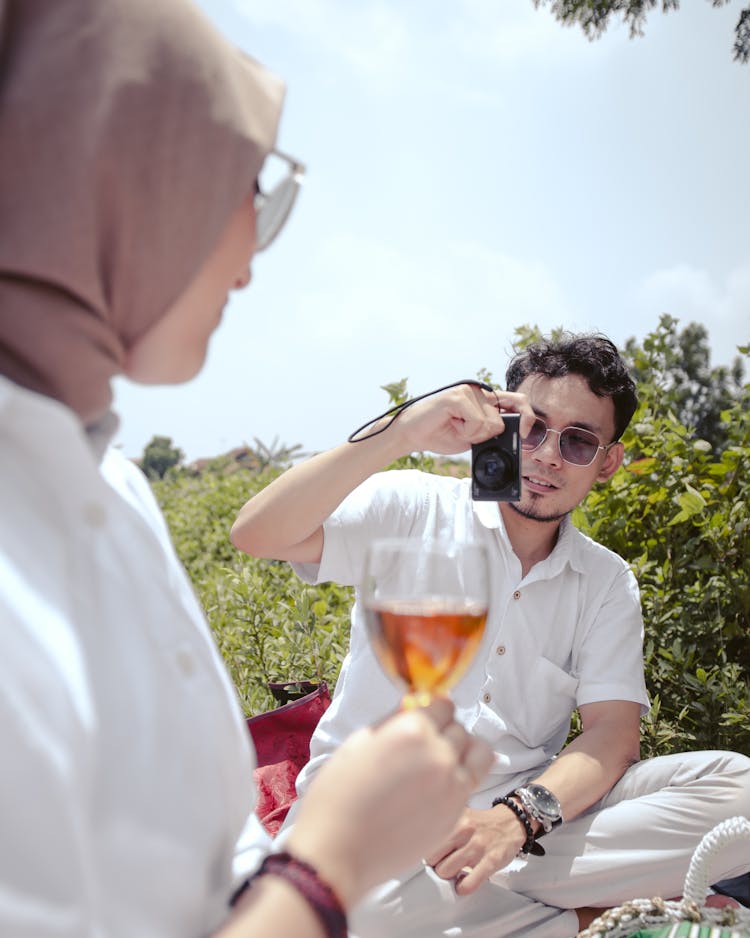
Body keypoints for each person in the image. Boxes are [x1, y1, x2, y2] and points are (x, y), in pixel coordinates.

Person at [0, 2, 494, 937]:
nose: (249, 267)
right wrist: (329, 865)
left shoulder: (113, 484)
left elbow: (208, 847)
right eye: (245, 192)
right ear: (128, 180)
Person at [231, 333, 750, 937]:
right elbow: (256, 533)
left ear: (607, 462)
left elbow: (612, 737)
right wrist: (400, 433)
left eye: (578, 441)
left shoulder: (606, 580)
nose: (548, 455)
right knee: (346, 912)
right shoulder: (412, 509)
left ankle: (512, 908)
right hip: (374, 828)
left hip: (533, 834)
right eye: (532, 428)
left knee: (740, 794)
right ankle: (583, 919)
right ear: (500, 425)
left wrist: (512, 822)